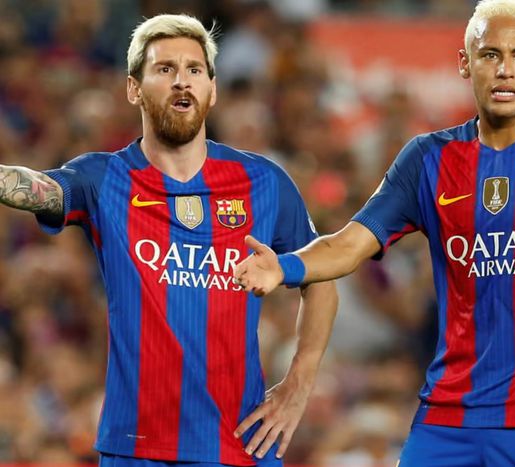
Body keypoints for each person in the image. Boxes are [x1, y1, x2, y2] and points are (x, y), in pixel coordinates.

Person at [233, 0, 515, 465]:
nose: (505, 69)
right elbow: (349, 244)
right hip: (446, 420)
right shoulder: (428, 159)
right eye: (490, 54)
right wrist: (285, 266)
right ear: (465, 63)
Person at [0, 14, 337, 467]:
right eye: (164, 69)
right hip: (135, 447)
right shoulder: (104, 178)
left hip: (239, 446)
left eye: (194, 69)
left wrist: (300, 380)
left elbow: (323, 277)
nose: (182, 81)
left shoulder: (263, 182)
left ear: (212, 89)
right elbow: (37, 188)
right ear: (133, 89)